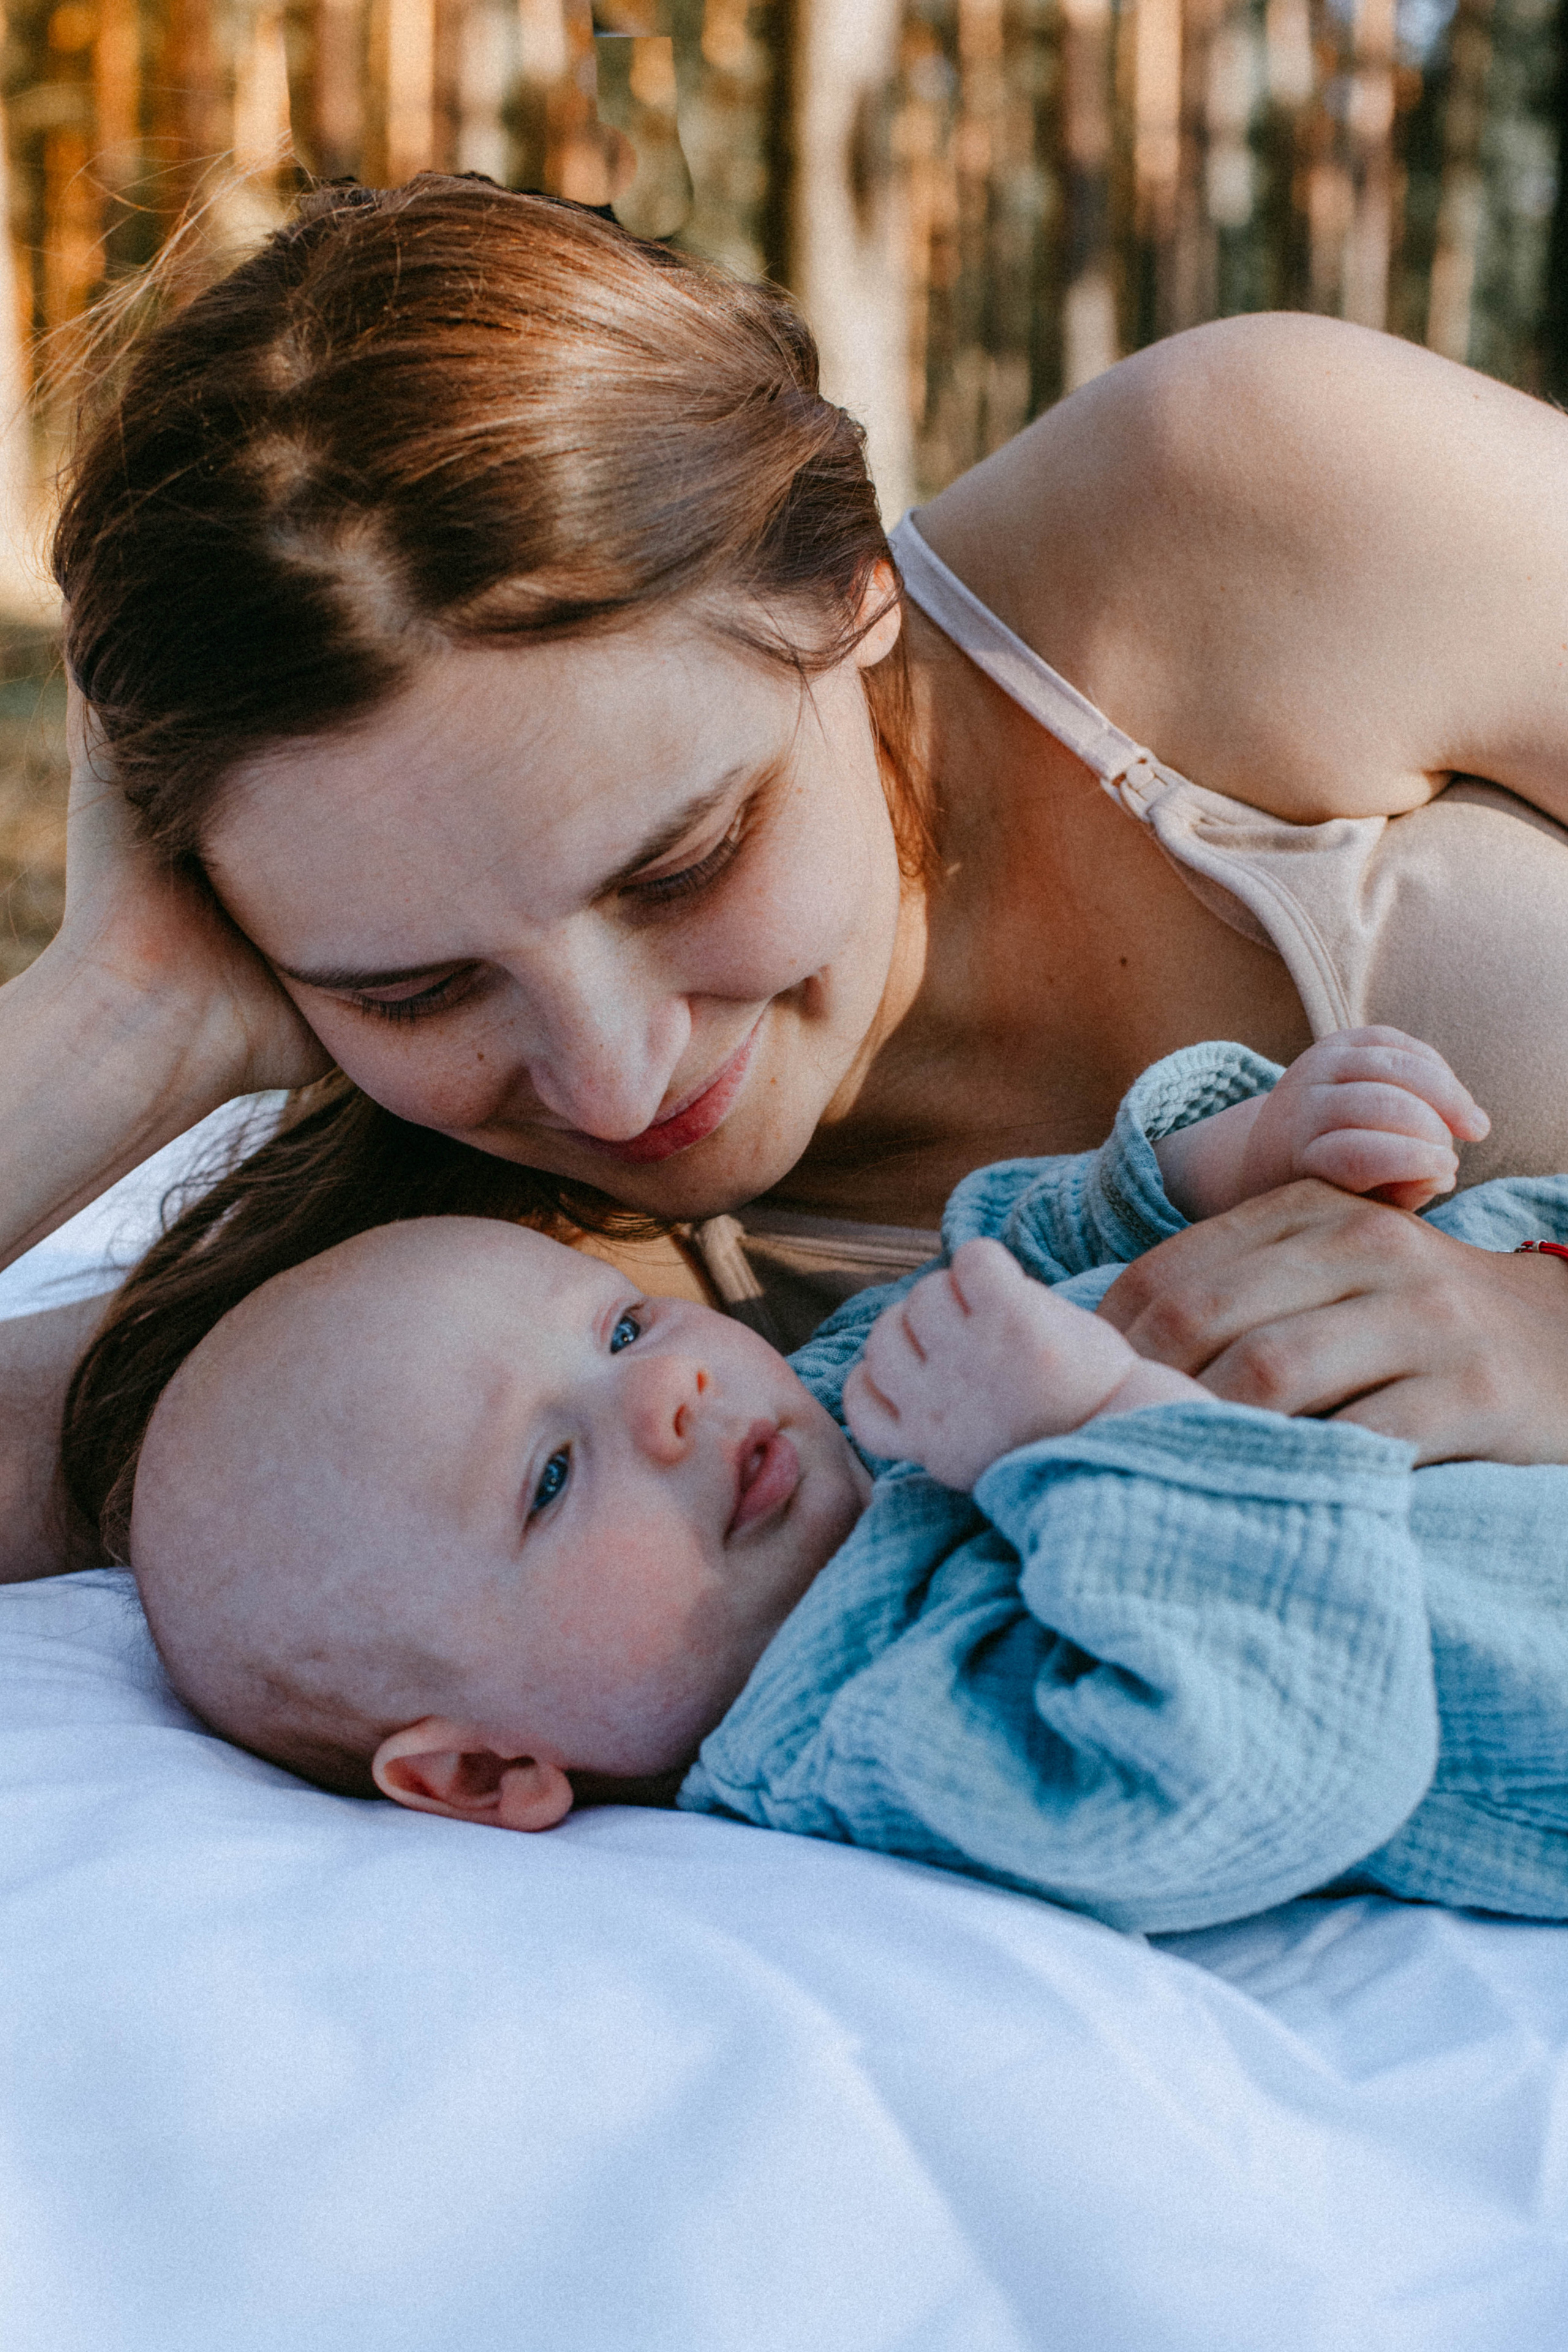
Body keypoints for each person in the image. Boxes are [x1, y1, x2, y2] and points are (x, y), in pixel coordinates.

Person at [8, 175, 1568, 1583]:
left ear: (850, 587)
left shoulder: (1236, 504)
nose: (614, 1086)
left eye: (682, 866)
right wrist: (119, 1018)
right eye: (413, 990)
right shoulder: (519, 1321)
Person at [126, 1030, 1568, 1933]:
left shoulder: (815, 1423)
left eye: (621, 1329)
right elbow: (1251, 1762)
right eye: (552, 1476)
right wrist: (1089, 1426)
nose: (670, 1394)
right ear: (483, 1772)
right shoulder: (869, 1738)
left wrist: (1219, 1166)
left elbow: (1008, 1253)